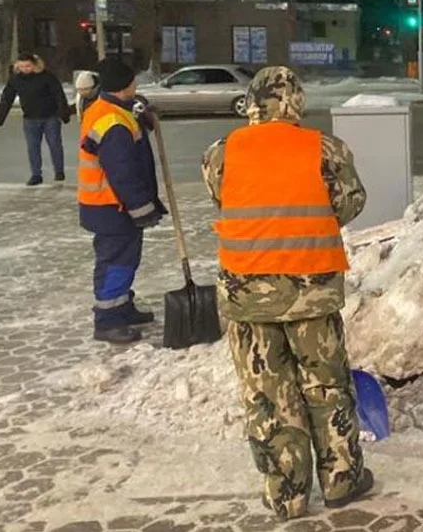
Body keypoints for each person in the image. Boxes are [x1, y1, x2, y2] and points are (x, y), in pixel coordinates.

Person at [202, 66, 373, 520]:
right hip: (312, 292)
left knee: (267, 396)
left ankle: (287, 493)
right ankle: (342, 480)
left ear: (254, 103)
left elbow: (223, 198)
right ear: (296, 103)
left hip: (248, 295)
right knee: (326, 386)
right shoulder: (325, 149)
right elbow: (351, 203)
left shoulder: (221, 153)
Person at [78, 58, 165, 344]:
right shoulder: (113, 123)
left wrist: (143, 118)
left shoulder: (109, 110)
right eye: (132, 82)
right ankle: (108, 321)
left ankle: (122, 308)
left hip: (109, 206)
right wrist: (142, 210)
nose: (135, 85)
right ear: (125, 86)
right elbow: (123, 173)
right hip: (112, 207)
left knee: (125, 259)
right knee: (116, 263)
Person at [0, 53, 72, 186]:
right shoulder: (15, 79)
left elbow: (58, 95)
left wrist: (64, 114)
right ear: (18, 66)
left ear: (35, 65)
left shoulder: (47, 77)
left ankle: (59, 171)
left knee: (54, 144)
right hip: (30, 118)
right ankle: (36, 175)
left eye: (28, 66)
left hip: (50, 117)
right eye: (22, 66)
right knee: (33, 147)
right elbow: (7, 98)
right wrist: (0, 118)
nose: (26, 69)